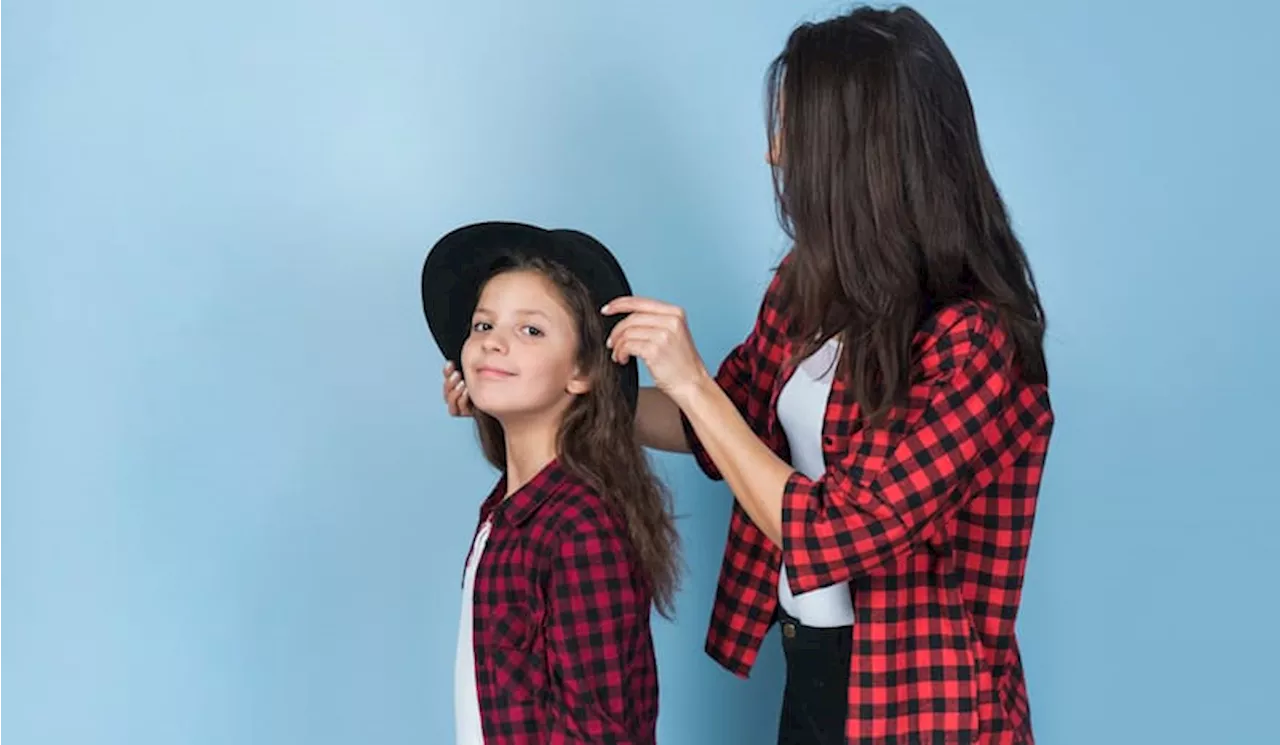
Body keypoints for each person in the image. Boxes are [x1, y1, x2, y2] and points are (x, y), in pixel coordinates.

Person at [602, 6, 1054, 744]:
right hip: (811, 664)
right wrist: (571, 388)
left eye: (792, 133)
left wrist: (691, 382)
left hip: (920, 703)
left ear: (857, 153)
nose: (774, 155)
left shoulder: (976, 341)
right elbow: (722, 427)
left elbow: (838, 528)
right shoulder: (808, 285)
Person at [424, 221, 681, 745]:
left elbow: (598, 731)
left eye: (531, 331)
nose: (494, 344)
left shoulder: (580, 528)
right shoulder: (508, 512)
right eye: (482, 327)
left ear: (583, 373)